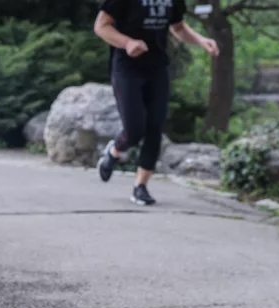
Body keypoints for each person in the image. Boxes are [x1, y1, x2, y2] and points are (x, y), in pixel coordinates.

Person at [94, 0, 219, 205]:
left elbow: (177, 27)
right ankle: (114, 151)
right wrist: (127, 43)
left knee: (155, 126)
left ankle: (140, 186)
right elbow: (101, 26)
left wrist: (200, 40)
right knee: (135, 128)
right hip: (127, 69)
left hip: (157, 68)